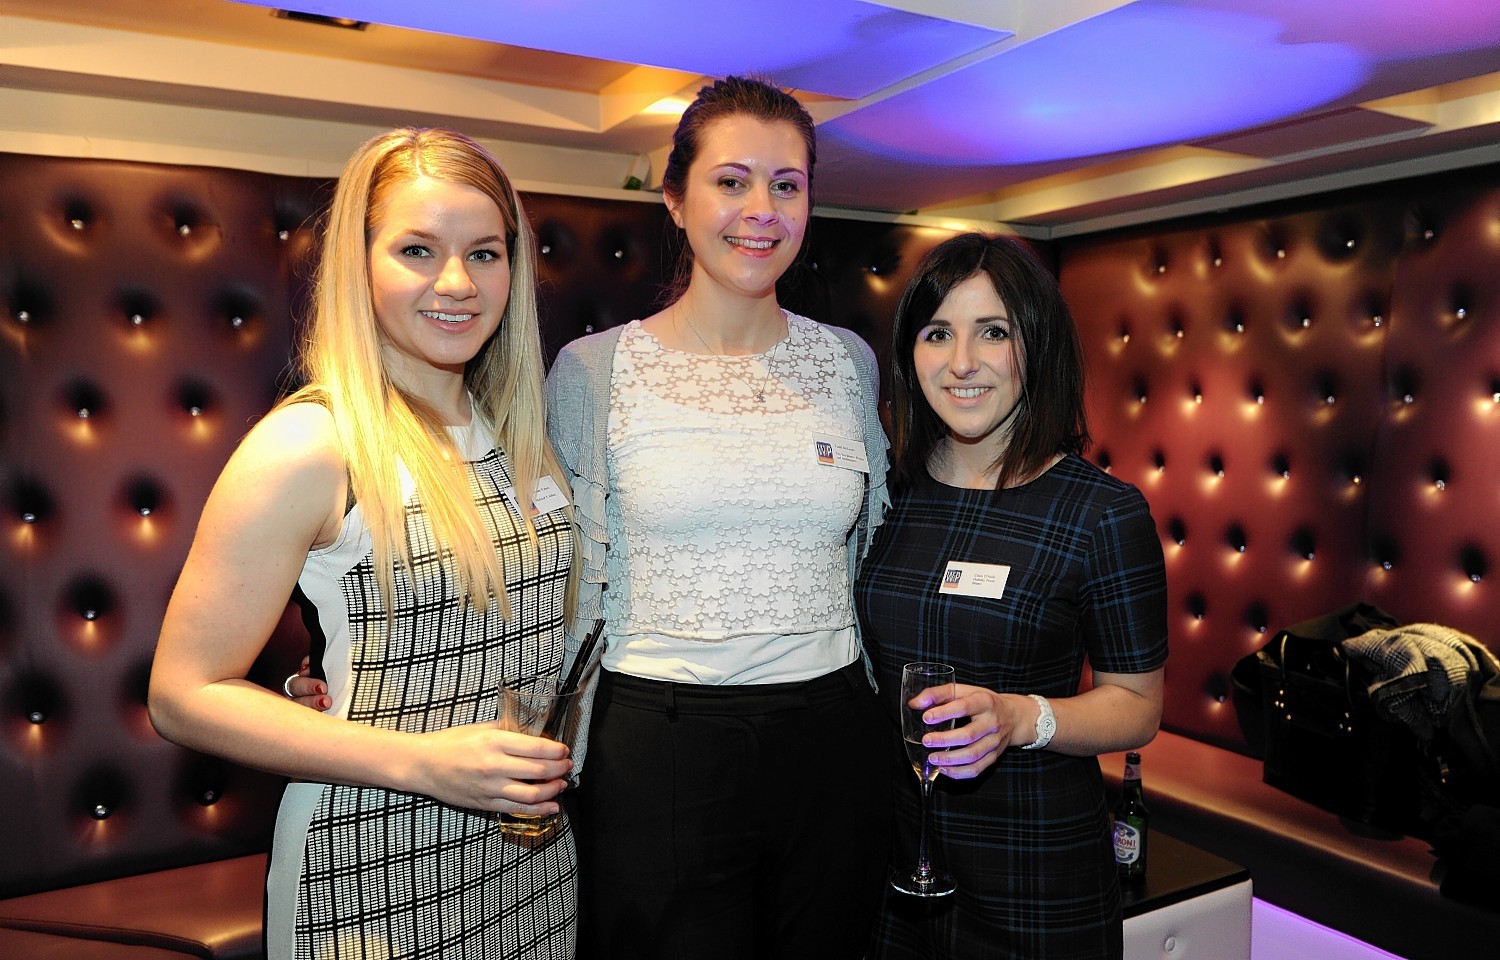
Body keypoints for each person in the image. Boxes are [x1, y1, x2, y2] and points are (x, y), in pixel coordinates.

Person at [148, 127, 580, 960]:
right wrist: (422, 761)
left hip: (531, 866)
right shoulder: (312, 443)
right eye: (418, 249)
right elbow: (181, 694)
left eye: (485, 253)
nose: (457, 282)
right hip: (369, 863)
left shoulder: (516, 429)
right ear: (360, 263)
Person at [543, 75, 893, 959]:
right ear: (675, 198)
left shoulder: (848, 363)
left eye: (787, 184)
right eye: (731, 181)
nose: (761, 210)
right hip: (659, 740)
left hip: (832, 731)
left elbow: (878, 546)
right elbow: (558, 572)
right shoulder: (591, 371)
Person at [854, 232, 1168, 959]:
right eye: (938, 334)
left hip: (1037, 876)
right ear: (910, 354)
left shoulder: (1102, 513)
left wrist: (1020, 717)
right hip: (893, 871)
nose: (962, 362)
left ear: (1037, 347)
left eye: (993, 332)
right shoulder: (886, 494)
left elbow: (1138, 707)